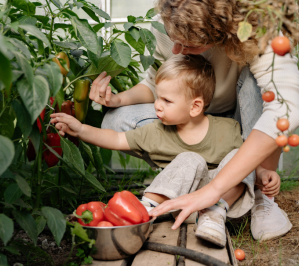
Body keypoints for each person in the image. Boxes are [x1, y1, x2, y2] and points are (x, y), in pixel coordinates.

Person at [89, 0, 298, 241]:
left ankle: (256, 193)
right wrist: (118, 99)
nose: (176, 51)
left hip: (241, 123)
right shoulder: (172, 19)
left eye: (188, 45)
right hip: (193, 122)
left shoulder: (262, 29)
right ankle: (195, 177)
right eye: (173, 40)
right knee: (117, 119)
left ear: (223, 33)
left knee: (260, 86)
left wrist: (212, 192)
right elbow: (156, 84)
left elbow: (286, 109)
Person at [51, 55, 279, 247]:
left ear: (195, 106)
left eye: (166, 100)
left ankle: (213, 215)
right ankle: (145, 211)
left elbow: (249, 161)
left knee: (238, 156)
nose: (157, 105)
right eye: (157, 96)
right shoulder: (157, 131)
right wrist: (80, 129)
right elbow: (116, 137)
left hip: (218, 199)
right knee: (190, 159)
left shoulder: (228, 130)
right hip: (177, 200)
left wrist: (262, 174)